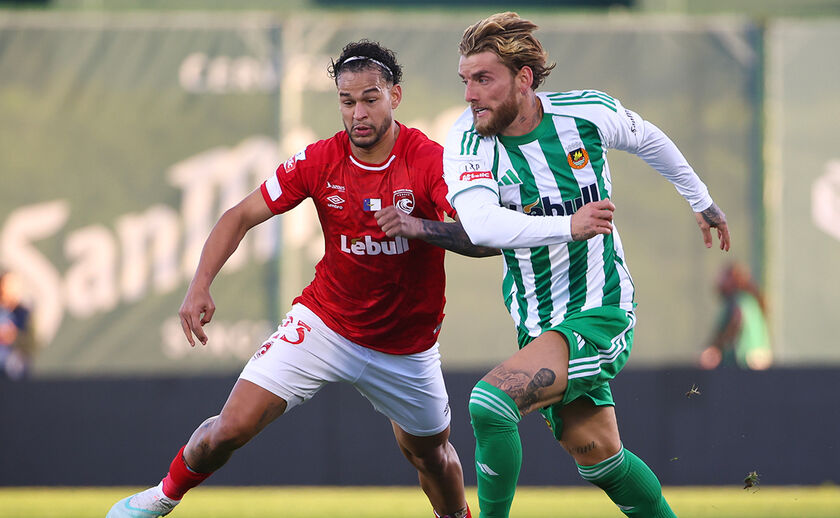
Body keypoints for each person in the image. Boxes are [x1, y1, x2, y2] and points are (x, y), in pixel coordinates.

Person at [107, 40, 493, 518]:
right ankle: (160, 498)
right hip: (325, 324)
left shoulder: (430, 161)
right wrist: (199, 283)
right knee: (230, 428)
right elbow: (240, 213)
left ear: (395, 95)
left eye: (370, 99)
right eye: (347, 102)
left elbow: (483, 238)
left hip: (406, 346)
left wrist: (420, 227)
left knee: (431, 455)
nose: (358, 114)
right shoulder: (319, 160)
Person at [439, 12, 730, 518]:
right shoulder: (468, 141)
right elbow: (482, 224)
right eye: (465, 80)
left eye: (483, 79)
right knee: (601, 460)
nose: (470, 95)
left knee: (490, 403)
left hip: (600, 310)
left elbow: (649, 138)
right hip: (538, 325)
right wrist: (568, 225)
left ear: (523, 79)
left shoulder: (585, 113)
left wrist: (700, 199)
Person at [699, 262, 772, 370]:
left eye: (723, 278)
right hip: (760, 359)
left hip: (746, 360)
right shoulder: (749, 300)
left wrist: (716, 348)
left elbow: (736, 321)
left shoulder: (739, 301)